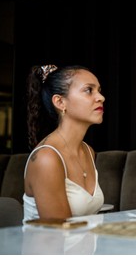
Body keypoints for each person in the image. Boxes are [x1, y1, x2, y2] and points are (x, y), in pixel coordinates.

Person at [23, 64, 105, 222]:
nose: (101, 97)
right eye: (89, 90)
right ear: (60, 102)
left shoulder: (88, 151)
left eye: (99, 90)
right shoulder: (47, 158)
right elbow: (58, 236)